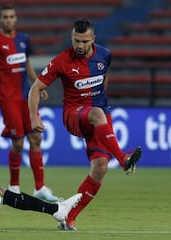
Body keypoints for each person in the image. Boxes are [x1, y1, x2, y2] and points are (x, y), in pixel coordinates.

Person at [28, 18, 142, 230]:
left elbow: (104, 78)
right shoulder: (62, 61)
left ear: (93, 40)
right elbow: (35, 88)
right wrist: (34, 117)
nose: (79, 46)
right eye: (76, 40)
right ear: (72, 38)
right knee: (97, 114)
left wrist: (101, 100)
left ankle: (68, 217)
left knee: (100, 168)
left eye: (84, 41)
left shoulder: (105, 55)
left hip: (98, 116)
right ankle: (124, 159)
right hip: (74, 116)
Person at [0, 5, 59, 202]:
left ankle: (40, 187)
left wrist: (38, 84)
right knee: (18, 143)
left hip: (26, 96)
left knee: (36, 139)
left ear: (15, 19)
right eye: (5, 16)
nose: (8, 20)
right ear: (0, 20)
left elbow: (27, 64)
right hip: (8, 99)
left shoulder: (23, 39)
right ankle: (14, 186)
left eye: (11, 16)